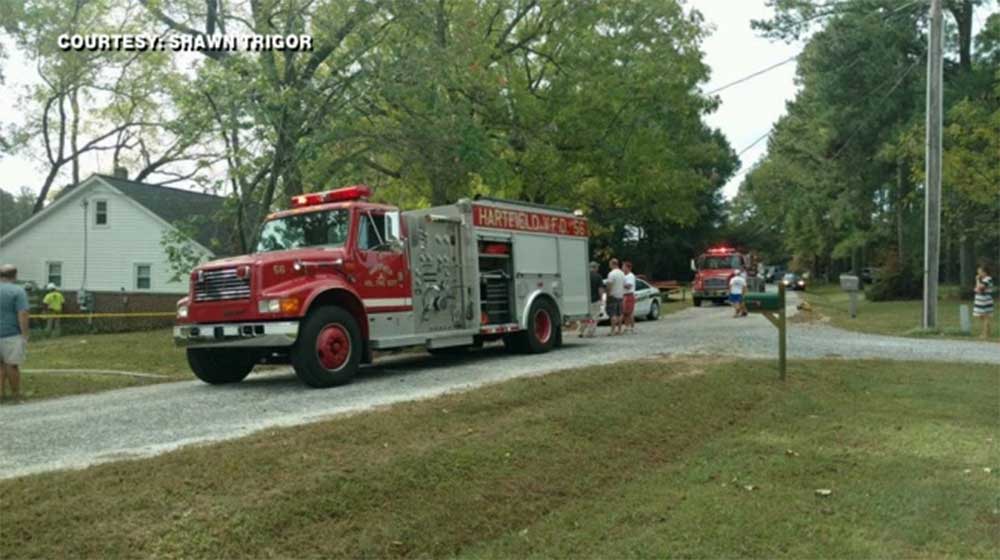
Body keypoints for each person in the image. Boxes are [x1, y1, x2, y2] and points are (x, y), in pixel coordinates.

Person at [0, 265, 30, 404]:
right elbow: (22, 313)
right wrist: (24, 334)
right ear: (15, 275)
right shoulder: (18, 291)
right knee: (12, 366)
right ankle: (15, 396)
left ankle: (1, 395)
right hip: (11, 334)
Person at [580, 261, 605, 338]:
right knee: (594, 317)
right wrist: (601, 299)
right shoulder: (598, 277)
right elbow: (600, 289)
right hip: (595, 300)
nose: (598, 268)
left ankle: (581, 331)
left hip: (585, 300)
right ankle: (590, 333)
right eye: (597, 267)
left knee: (585, 316)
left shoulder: (584, 276)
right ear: (594, 268)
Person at [605, 258, 626, 335]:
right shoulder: (622, 273)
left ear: (613, 264)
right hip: (620, 295)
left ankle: (612, 331)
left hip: (612, 296)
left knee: (613, 314)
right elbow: (624, 285)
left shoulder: (611, 274)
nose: (609, 265)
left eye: (610, 264)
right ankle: (619, 330)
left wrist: (607, 295)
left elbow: (609, 285)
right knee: (619, 313)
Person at [973, 266, 994, 340]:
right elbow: (977, 289)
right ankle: (988, 332)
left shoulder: (987, 279)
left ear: (985, 272)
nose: (978, 273)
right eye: (978, 271)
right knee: (981, 317)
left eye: (980, 272)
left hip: (985, 300)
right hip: (980, 300)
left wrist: (977, 280)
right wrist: (978, 286)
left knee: (985, 317)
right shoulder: (983, 279)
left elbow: (979, 288)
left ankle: (985, 334)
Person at [622, 261, 637, 334]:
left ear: (628, 268)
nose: (622, 268)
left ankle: (632, 328)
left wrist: (620, 284)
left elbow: (629, 286)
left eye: (623, 266)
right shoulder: (624, 276)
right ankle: (626, 327)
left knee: (629, 312)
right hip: (624, 295)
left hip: (629, 295)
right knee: (625, 312)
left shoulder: (630, 276)